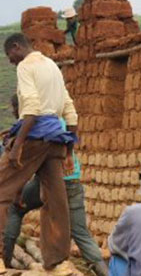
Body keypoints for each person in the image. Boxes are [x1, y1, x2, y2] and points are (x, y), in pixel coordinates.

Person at [3, 95, 108, 276]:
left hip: (51, 182)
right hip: (73, 181)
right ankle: (105, 273)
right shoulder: (57, 120)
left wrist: (18, 191)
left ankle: (5, 259)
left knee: (15, 209)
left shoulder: (35, 126)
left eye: (15, 111)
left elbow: (26, 167)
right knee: (80, 232)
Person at [0, 33, 77, 275]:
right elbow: (70, 112)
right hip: (55, 140)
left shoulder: (26, 66)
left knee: (1, 189)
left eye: (9, 56)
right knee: (55, 200)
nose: (10, 61)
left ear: (16, 47)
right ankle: (58, 262)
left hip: (34, 137)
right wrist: (68, 152)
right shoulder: (52, 67)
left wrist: (16, 148)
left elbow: (31, 109)